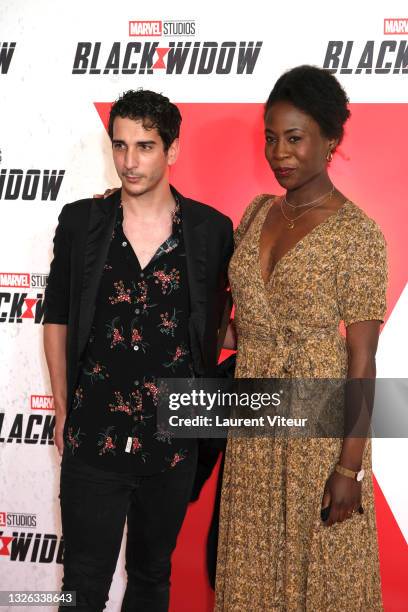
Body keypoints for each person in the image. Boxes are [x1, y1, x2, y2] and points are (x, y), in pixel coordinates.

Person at [43, 89, 233, 612]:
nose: (129, 161)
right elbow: (56, 316)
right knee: (81, 585)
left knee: (151, 579)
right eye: (120, 145)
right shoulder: (81, 223)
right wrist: (63, 408)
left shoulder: (211, 231)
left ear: (172, 150)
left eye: (145, 146)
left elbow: (219, 326)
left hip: (172, 439)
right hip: (93, 431)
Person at [215, 66, 386, 611]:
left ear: (330, 141)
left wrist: (349, 467)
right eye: (271, 138)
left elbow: (363, 360)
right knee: (251, 570)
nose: (279, 153)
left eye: (294, 138)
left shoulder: (359, 234)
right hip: (253, 425)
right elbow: (234, 324)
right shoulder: (256, 213)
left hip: (318, 430)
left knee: (321, 579)